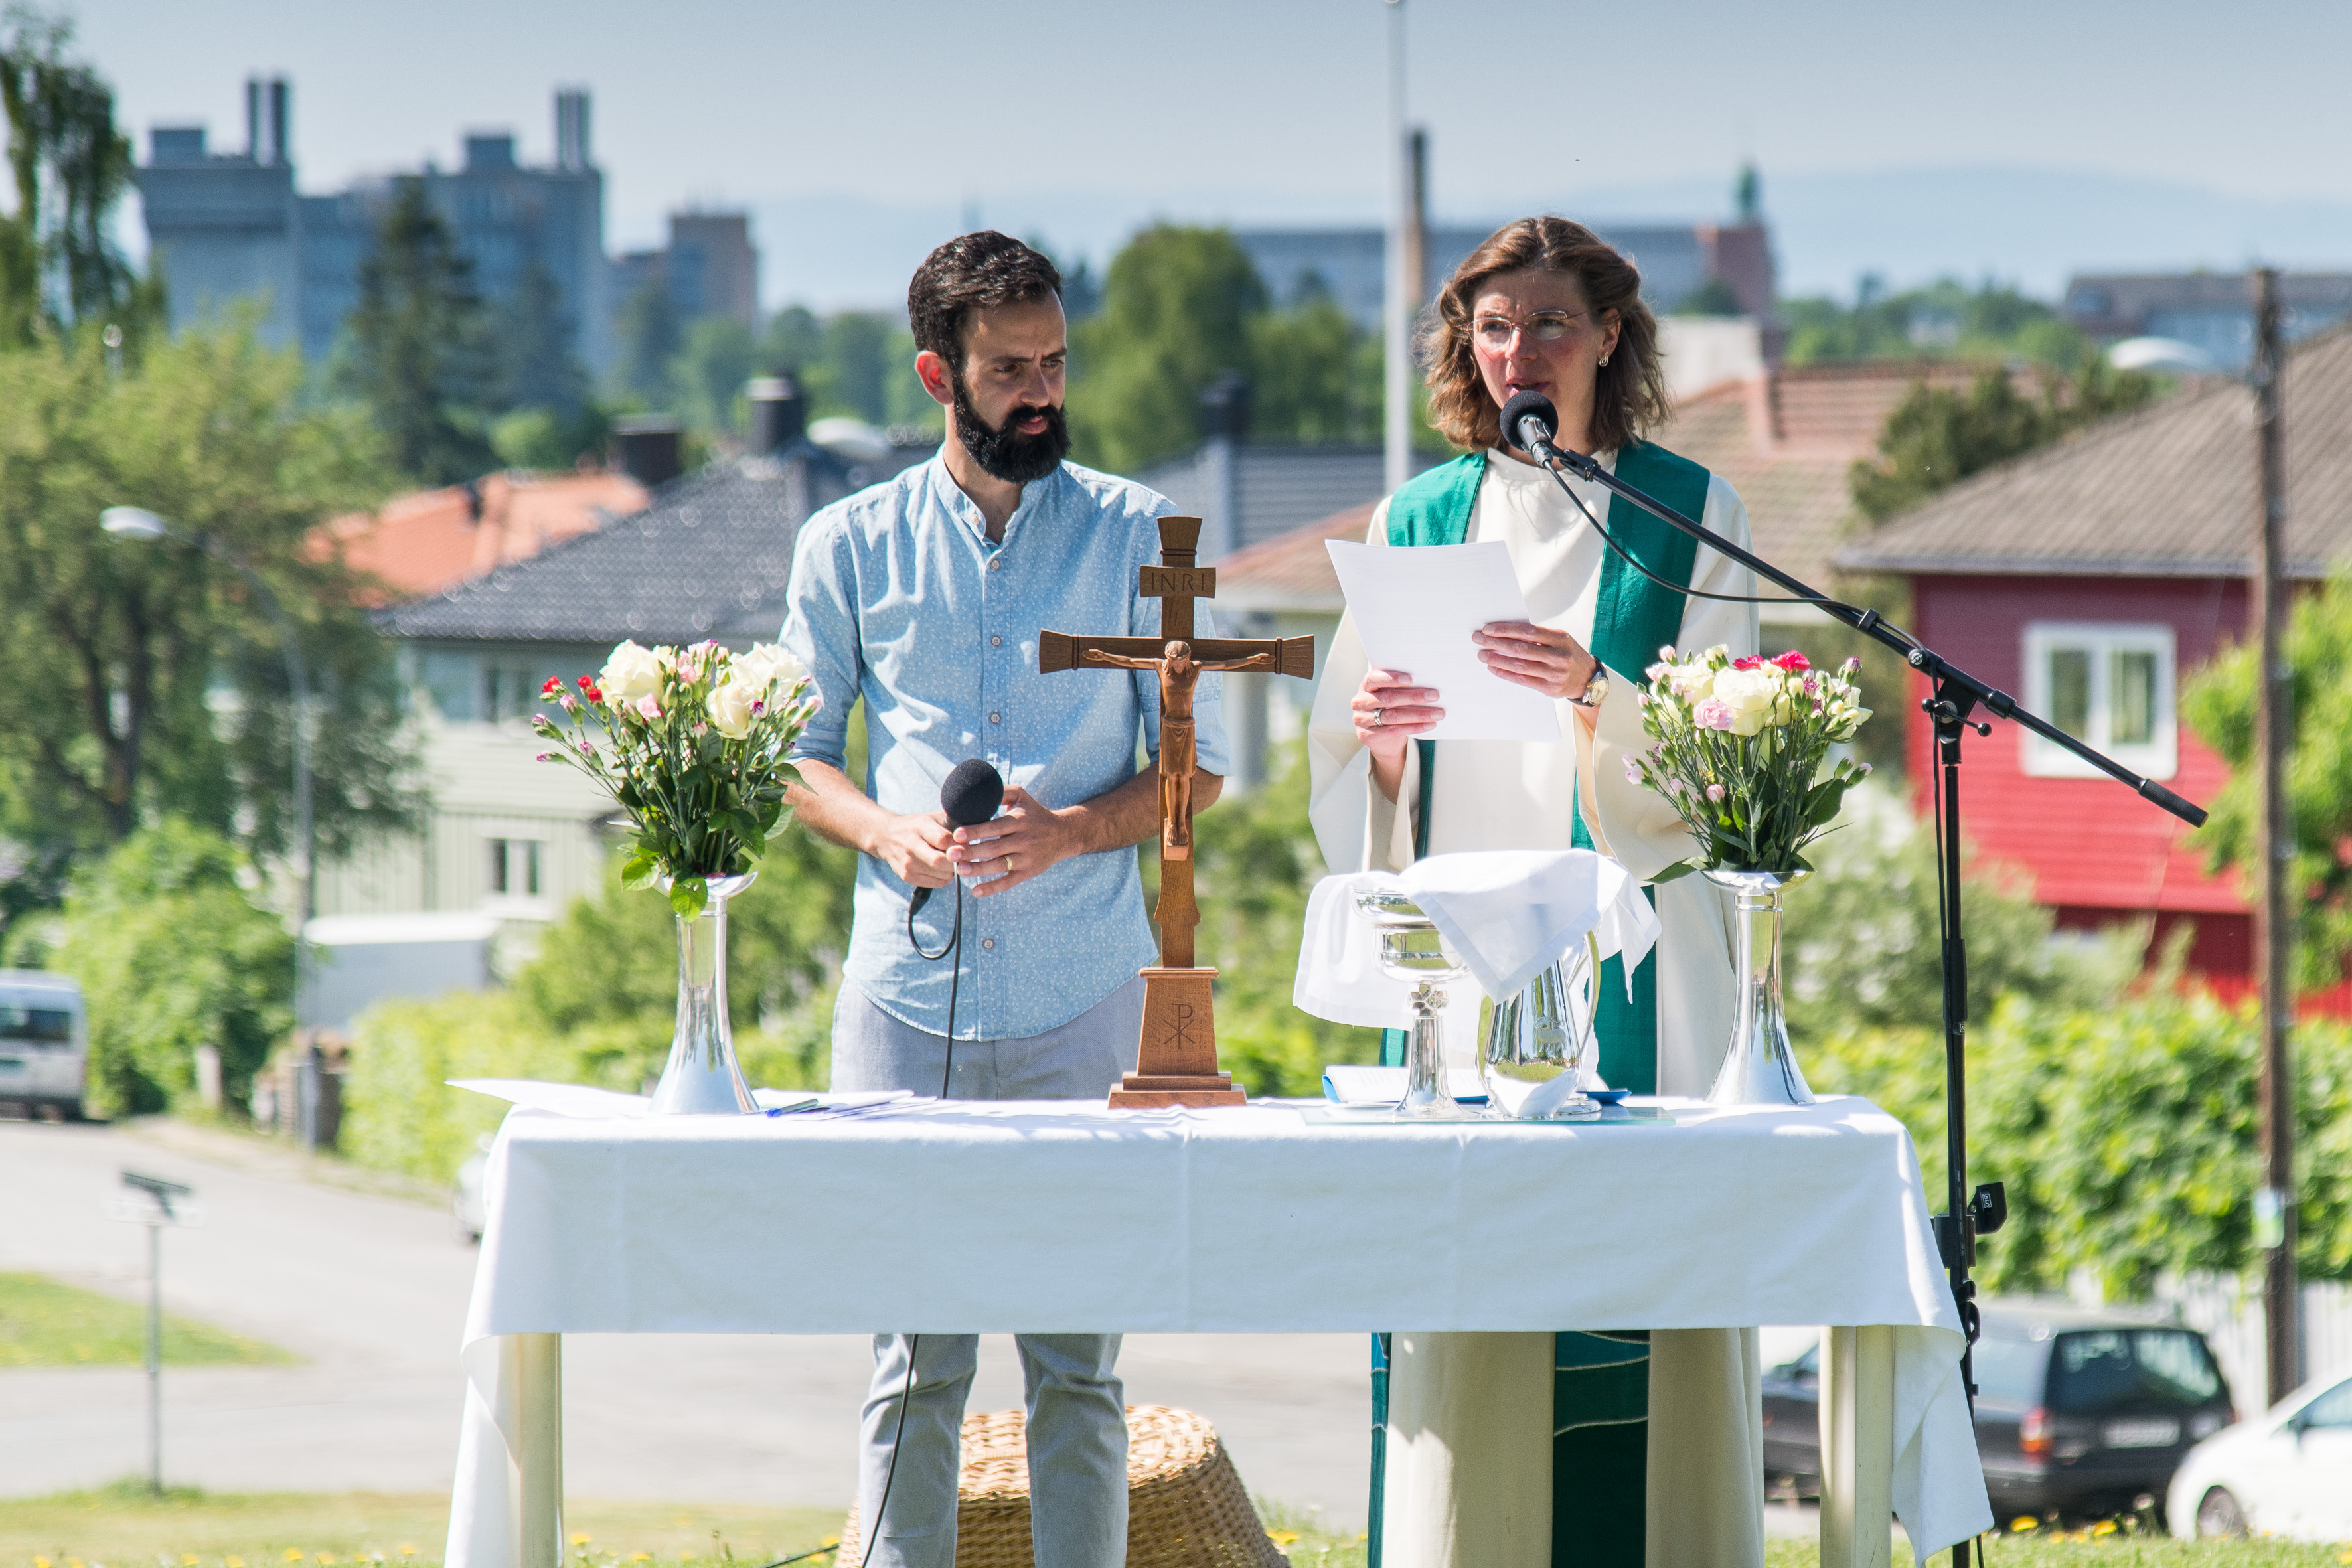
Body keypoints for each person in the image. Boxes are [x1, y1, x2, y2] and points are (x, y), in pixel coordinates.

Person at [1306, 217, 1765, 1567]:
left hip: (1633, 979)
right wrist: (1382, 742)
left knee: (1635, 1318)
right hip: (1455, 979)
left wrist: (1594, 694)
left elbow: (1728, 764)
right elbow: (1349, 767)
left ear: (1607, 337)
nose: (1519, 350)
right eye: (1492, 327)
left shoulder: (1691, 512)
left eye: (1549, 323)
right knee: (1468, 1327)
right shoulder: (1416, 516)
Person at [779, 232, 1231, 1568]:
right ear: (938, 373)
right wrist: (885, 829)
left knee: (1078, 1361)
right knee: (910, 1358)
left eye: (1054, 363)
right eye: (1008, 369)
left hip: (1083, 993)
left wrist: (1076, 828)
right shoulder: (845, 544)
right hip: (901, 997)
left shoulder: (1144, 530)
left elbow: (1191, 769)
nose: (1040, 391)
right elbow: (796, 756)